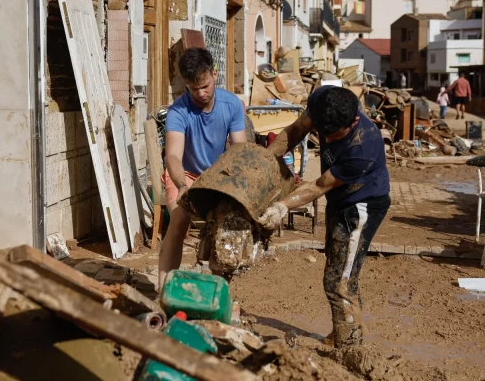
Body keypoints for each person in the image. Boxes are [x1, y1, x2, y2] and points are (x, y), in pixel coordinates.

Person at [263, 86, 390, 348]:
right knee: (340, 270)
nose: (328, 141)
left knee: (338, 281)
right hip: (340, 200)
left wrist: (282, 206)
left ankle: (348, 349)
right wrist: (265, 161)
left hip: (361, 206)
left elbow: (320, 185)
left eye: (335, 136)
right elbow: (296, 130)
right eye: (323, 133)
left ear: (354, 120)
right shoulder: (323, 101)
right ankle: (348, 330)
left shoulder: (363, 147)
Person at [159, 48, 246, 288]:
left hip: (217, 175)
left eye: (205, 86)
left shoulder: (232, 104)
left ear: (214, 74)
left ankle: (218, 291)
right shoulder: (178, 111)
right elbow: (173, 157)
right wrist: (182, 186)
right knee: (179, 219)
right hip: (184, 174)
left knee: (227, 225)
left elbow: (239, 151)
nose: (200, 93)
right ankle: (163, 290)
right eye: (193, 88)